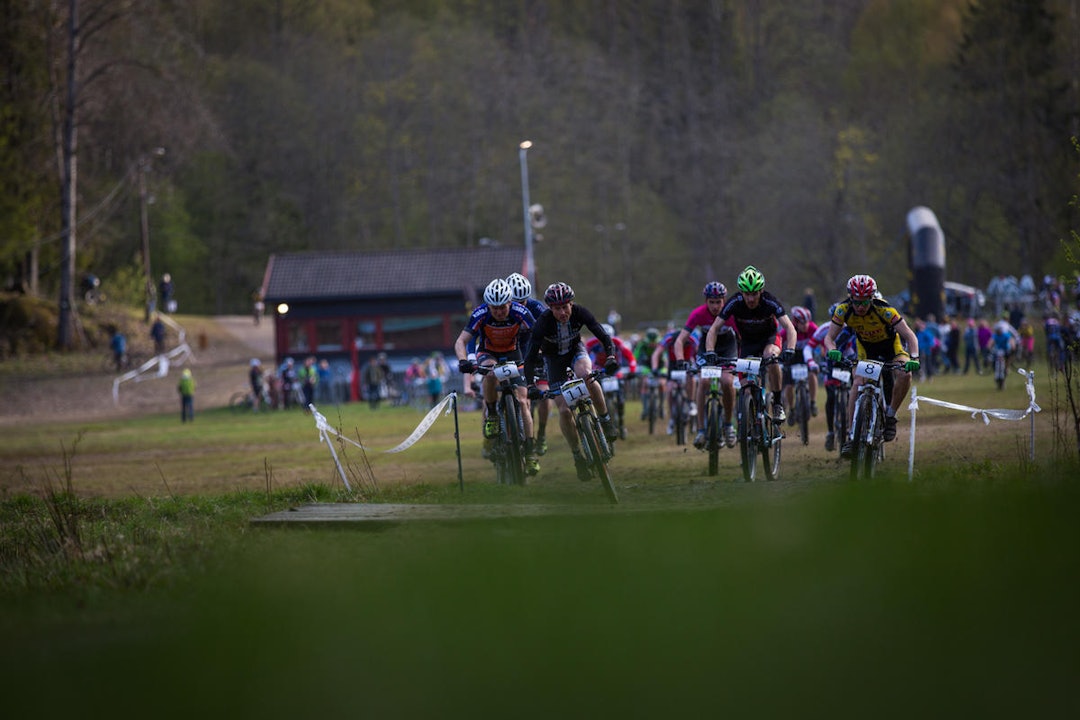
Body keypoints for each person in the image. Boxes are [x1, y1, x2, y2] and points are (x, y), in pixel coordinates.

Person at [522, 281, 620, 482]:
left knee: (587, 375)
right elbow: (530, 358)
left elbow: (602, 335)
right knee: (565, 410)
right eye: (557, 309)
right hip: (554, 361)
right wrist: (531, 385)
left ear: (572, 304)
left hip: (576, 352)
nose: (562, 312)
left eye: (565, 307)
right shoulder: (543, 322)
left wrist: (610, 357)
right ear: (550, 308)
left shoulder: (580, 312)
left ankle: (605, 419)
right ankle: (577, 455)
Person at [823, 274, 921, 458]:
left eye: (865, 302)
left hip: (892, 348)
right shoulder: (843, 310)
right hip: (866, 349)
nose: (860, 307)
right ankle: (852, 435)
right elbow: (829, 338)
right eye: (856, 302)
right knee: (858, 381)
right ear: (850, 298)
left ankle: (890, 416)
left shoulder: (885, 310)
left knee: (904, 375)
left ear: (872, 298)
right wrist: (832, 349)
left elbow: (910, 335)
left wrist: (914, 358)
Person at [454, 278, 540, 476]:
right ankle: (492, 413)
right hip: (489, 354)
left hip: (513, 353)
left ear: (511, 303)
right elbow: (461, 341)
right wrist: (462, 361)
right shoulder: (480, 314)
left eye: (503, 307)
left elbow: (537, 337)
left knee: (524, 401)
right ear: (488, 306)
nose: (499, 312)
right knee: (490, 374)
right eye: (495, 309)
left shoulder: (521, 312)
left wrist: (538, 358)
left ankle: (530, 451)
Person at [705, 265, 798, 422]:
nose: (751, 299)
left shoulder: (770, 301)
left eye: (754, 294)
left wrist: (790, 349)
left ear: (761, 291)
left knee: (771, 356)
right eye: (747, 294)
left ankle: (777, 403)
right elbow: (714, 329)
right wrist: (710, 351)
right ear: (742, 292)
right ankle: (752, 422)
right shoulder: (735, 302)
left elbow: (790, 328)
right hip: (747, 344)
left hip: (769, 339)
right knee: (746, 389)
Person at [675, 282, 737, 450]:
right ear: (706, 301)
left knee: (726, 382)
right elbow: (681, 339)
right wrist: (681, 360)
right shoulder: (698, 314)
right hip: (705, 349)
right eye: (712, 302)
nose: (715, 306)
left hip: (727, 348)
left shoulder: (731, 313)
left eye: (719, 302)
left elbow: (742, 337)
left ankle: (728, 425)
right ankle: (701, 429)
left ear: (724, 300)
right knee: (703, 382)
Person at [506, 272, 553, 456]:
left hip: (534, 356)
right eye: (516, 303)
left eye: (523, 302)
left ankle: (540, 434)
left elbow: (548, 331)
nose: (520, 307)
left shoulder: (536, 307)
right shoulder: (501, 310)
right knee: (517, 398)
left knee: (544, 396)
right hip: (514, 357)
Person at [651, 325, 697, 435]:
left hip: (687, 362)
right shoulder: (669, 338)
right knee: (670, 389)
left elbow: (699, 350)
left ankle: (691, 402)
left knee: (691, 379)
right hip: (673, 364)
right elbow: (656, 354)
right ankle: (672, 418)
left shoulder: (691, 339)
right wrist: (654, 368)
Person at [780, 305, 820, 424]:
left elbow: (821, 341)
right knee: (788, 385)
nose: (805, 325)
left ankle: (812, 402)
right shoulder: (787, 331)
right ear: (796, 322)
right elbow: (778, 344)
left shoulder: (813, 328)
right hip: (791, 356)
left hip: (806, 356)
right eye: (802, 323)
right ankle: (792, 409)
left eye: (807, 322)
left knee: (812, 374)